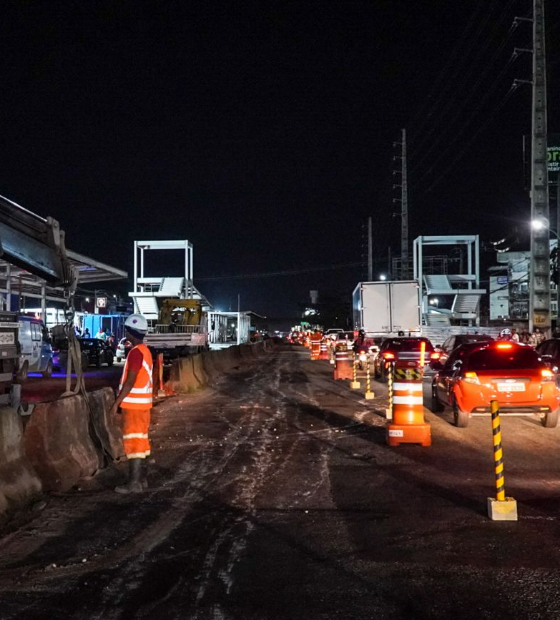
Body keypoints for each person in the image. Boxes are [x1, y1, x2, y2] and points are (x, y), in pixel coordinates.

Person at [110, 314, 153, 494]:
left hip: (133, 408)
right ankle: (141, 480)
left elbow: (130, 380)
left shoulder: (136, 353)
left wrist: (116, 403)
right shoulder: (146, 351)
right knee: (141, 443)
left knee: (133, 444)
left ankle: (134, 484)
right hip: (143, 407)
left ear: (129, 332)